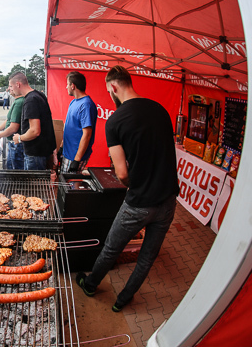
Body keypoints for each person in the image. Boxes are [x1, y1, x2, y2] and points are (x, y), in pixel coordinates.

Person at [76, 65, 179, 312]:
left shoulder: (115, 122)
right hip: (167, 200)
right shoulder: (160, 110)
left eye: (108, 91)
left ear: (113, 87)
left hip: (138, 202)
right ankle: (123, 299)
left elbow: (122, 173)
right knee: (147, 256)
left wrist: (135, 184)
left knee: (112, 248)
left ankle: (90, 285)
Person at [11, 72, 56, 170]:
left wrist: (19, 138)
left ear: (18, 84)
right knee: (40, 183)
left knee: (34, 184)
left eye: (11, 86)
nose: (11, 89)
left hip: (35, 154)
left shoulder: (30, 100)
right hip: (43, 151)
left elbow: (35, 131)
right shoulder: (39, 95)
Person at [59, 71, 98, 173]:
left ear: (73, 86)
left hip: (75, 155)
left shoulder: (86, 105)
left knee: (71, 185)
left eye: (67, 84)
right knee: (65, 183)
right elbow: (68, 127)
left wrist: (77, 159)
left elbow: (87, 134)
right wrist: (61, 148)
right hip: (67, 153)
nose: (66, 87)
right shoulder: (73, 102)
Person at [0, 88, 25, 169]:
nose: (9, 88)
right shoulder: (16, 101)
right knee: (10, 167)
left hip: (17, 144)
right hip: (13, 144)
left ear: (18, 85)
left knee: (15, 171)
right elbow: (8, 120)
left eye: (11, 86)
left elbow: (13, 128)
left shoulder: (19, 102)